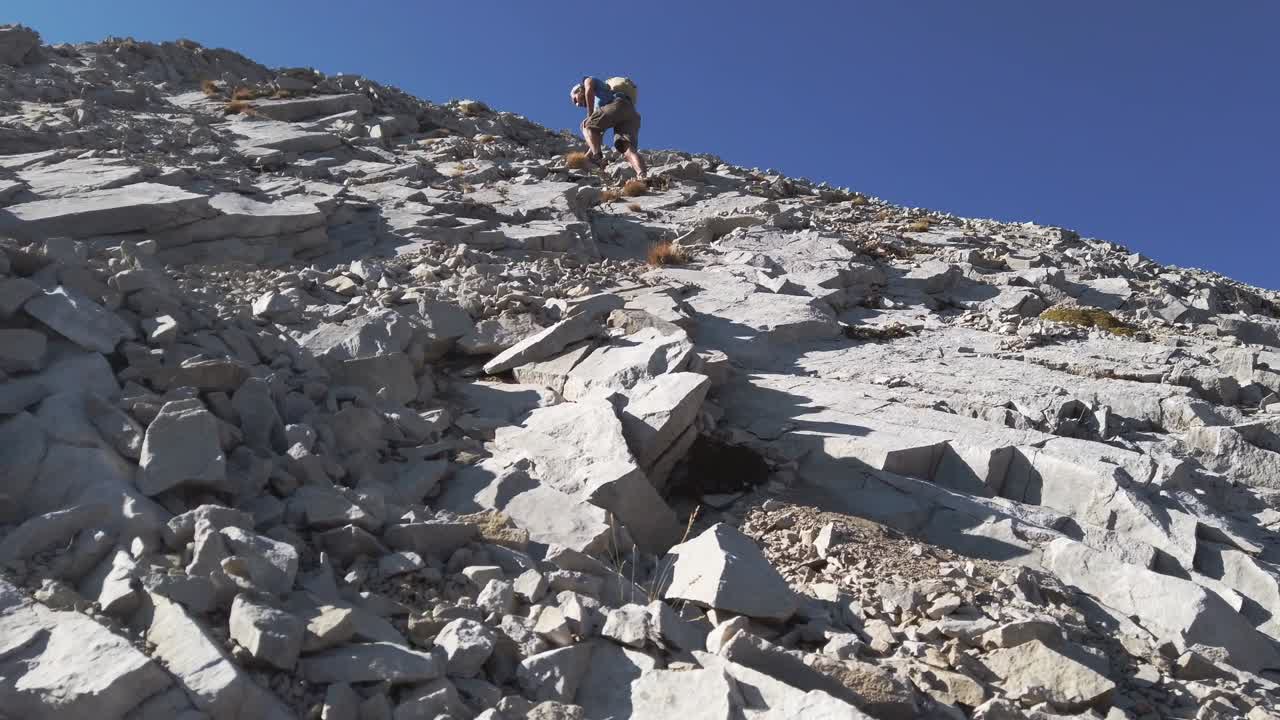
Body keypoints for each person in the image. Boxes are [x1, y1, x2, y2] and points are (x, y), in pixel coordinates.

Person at [570, 76, 647, 179]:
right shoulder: (600, 107)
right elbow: (597, 135)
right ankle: (642, 175)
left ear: (579, 90)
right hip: (631, 112)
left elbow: (589, 90)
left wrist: (589, 116)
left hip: (617, 103)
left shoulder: (587, 80)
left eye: (575, 100)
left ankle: (598, 159)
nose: (577, 104)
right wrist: (587, 156)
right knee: (627, 148)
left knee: (586, 125)